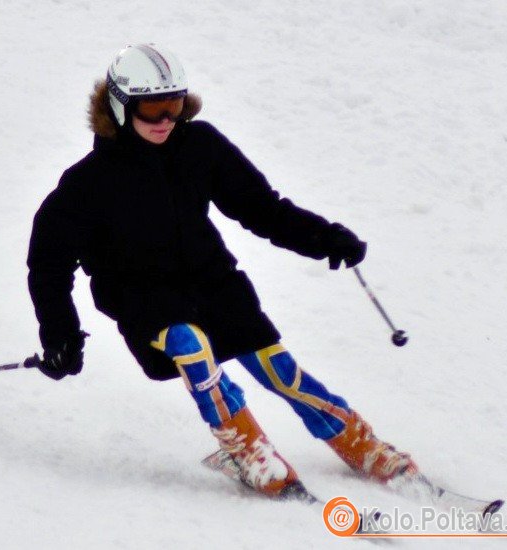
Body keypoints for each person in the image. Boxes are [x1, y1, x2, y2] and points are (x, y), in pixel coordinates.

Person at [27, 43, 417, 499]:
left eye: (173, 107)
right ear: (119, 105)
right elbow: (48, 264)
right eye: (152, 109)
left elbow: (262, 208)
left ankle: (357, 440)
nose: (164, 122)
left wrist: (324, 238)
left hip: (212, 280)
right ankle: (246, 449)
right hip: (141, 295)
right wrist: (60, 336)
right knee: (190, 346)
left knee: (277, 368)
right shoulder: (87, 182)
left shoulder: (200, 146)